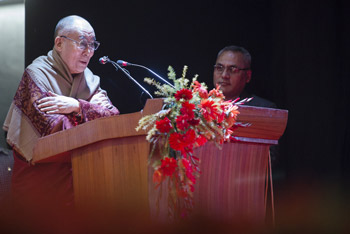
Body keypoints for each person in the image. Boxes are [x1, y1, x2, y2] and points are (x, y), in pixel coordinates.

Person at [2, 15, 119, 208]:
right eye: (82, 44)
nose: (89, 52)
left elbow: (112, 118)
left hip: (82, 184)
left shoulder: (89, 79)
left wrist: (77, 106)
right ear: (59, 43)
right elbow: (55, 132)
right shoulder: (37, 75)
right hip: (40, 188)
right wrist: (92, 111)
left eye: (93, 45)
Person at [213, 45, 279, 164]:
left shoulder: (263, 110)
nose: (224, 75)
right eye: (219, 68)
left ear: (247, 76)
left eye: (233, 69)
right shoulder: (198, 107)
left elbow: (269, 160)